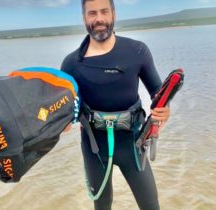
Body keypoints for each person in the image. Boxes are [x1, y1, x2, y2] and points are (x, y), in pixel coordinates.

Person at [61, 0, 170, 209]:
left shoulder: (137, 51)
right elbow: (65, 108)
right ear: (84, 18)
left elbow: (158, 92)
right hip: (94, 146)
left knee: (150, 205)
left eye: (104, 12)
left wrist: (165, 110)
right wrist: (61, 122)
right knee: (101, 205)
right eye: (92, 13)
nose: (99, 19)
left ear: (113, 14)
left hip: (133, 141)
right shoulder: (71, 64)